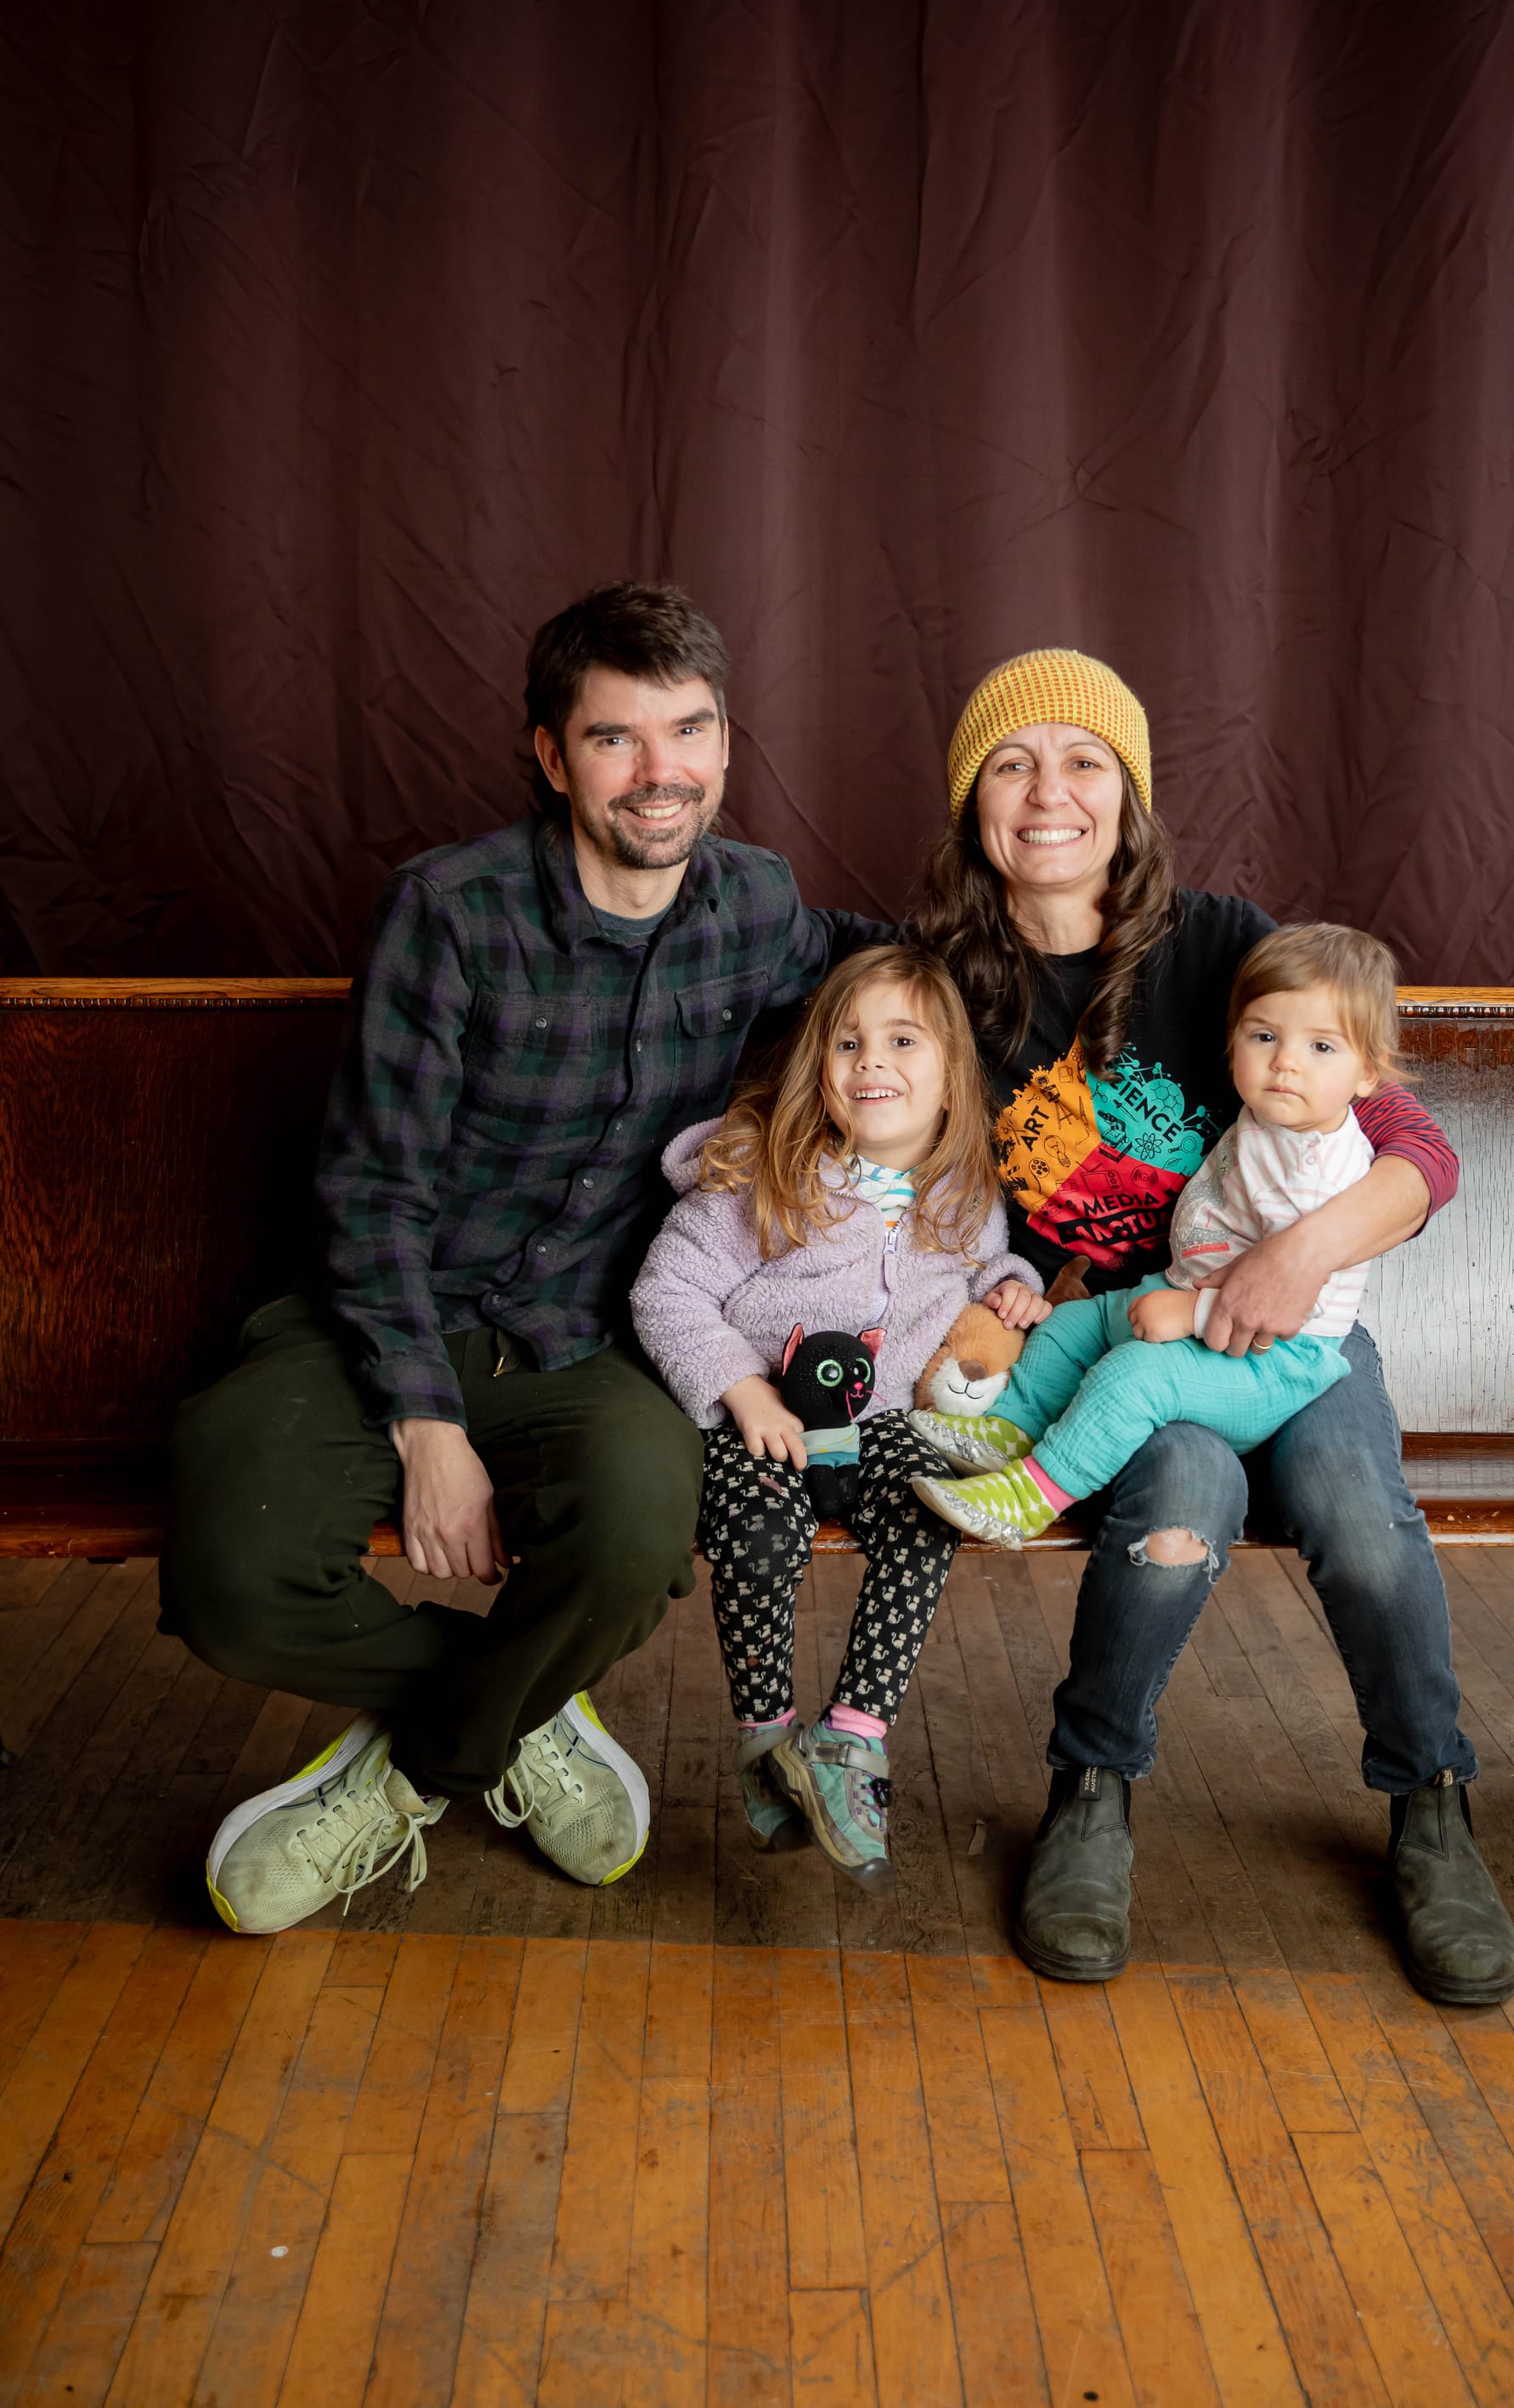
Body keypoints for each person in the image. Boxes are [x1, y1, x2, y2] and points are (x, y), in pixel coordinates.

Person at [162, 581, 880, 1935]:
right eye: (617, 738)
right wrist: (428, 1422)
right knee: (228, 1571)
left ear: (727, 743)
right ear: (553, 757)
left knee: (636, 1529)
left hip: (585, 1338)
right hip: (380, 1318)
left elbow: (896, 977)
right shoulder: (449, 910)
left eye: (691, 730)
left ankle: (427, 1757)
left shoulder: (757, 903)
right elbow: (372, 1188)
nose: (662, 773)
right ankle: (520, 1718)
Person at [909, 647, 1514, 2006]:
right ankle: (1091, 1791)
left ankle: (1431, 1803)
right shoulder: (944, 983)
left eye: (1085, 763)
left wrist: (1301, 1255)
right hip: (1133, 1337)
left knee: (1361, 1521)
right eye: (1012, 764)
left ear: (1130, 801)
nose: (1049, 793)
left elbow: (1413, 1140)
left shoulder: (1221, 940)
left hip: (1289, 1326)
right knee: (1177, 1502)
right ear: (972, 809)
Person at [630, 945, 1047, 1891]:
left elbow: (987, 1268)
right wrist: (738, 1389)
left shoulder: (962, 1189)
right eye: (848, 1044)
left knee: (925, 1520)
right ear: (817, 1071)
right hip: (761, 1420)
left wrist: (1014, 1287)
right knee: (757, 1531)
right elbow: (667, 1295)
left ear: (949, 1080)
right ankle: (767, 1735)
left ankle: (850, 1742)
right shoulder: (760, 1178)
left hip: (885, 1418)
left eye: (902, 1042)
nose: (872, 1063)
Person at [910, 922, 1390, 1539]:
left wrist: (1192, 1313)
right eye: (1265, 1037)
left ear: (1368, 1074)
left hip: (1274, 1356)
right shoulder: (1279, 1119)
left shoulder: (1317, 1170)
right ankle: (1011, 1424)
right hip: (1185, 1297)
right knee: (1070, 1327)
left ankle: (1032, 1497)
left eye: (1322, 1049)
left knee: (1131, 1375)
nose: (1285, 1063)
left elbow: (1303, 1295)